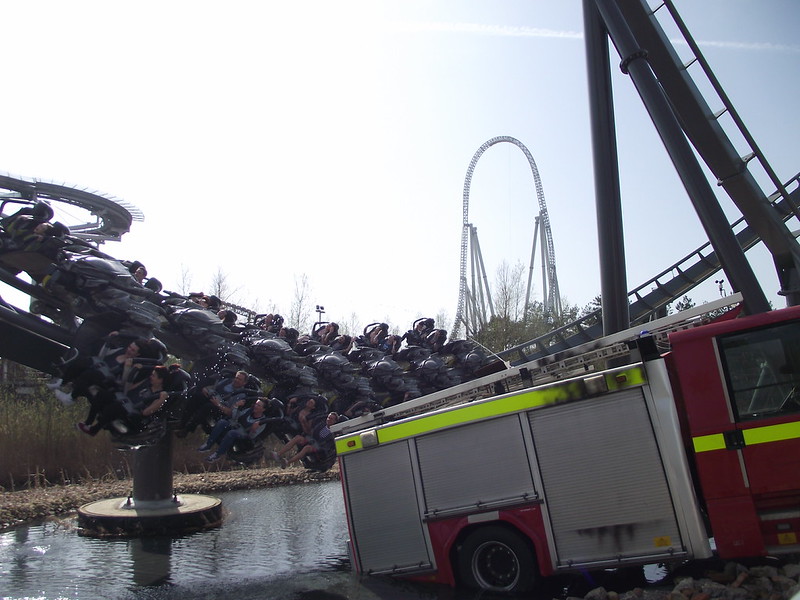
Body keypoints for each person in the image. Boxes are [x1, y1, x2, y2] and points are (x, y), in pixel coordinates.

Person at [77, 365, 169, 436]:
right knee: (102, 394)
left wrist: (161, 400)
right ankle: (88, 422)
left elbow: (146, 412)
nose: (151, 377)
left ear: (160, 380)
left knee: (114, 407)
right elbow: (129, 389)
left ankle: (94, 430)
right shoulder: (146, 382)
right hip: (124, 400)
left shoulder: (159, 395)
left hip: (133, 412)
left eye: (153, 376)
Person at [177, 370, 255, 435]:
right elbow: (213, 387)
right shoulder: (227, 381)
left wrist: (218, 404)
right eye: (236, 378)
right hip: (212, 398)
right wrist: (205, 389)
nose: (236, 380)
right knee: (196, 397)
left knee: (207, 407)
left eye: (239, 380)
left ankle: (187, 429)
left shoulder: (241, 395)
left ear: (244, 383)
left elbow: (230, 412)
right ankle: (182, 423)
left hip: (220, 409)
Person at [199, 398, 269, 462]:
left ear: (263, 409)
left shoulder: (262, 422)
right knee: (222, 422)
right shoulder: (248, 411)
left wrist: (253, 430)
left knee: (232, 433)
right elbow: (235, 417)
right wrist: (236, 406)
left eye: (258, 405)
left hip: (244, 438)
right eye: (256, 404)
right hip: (236, 427)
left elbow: (252, 437)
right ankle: (208, 445)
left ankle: (217, 454)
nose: (255, 406)